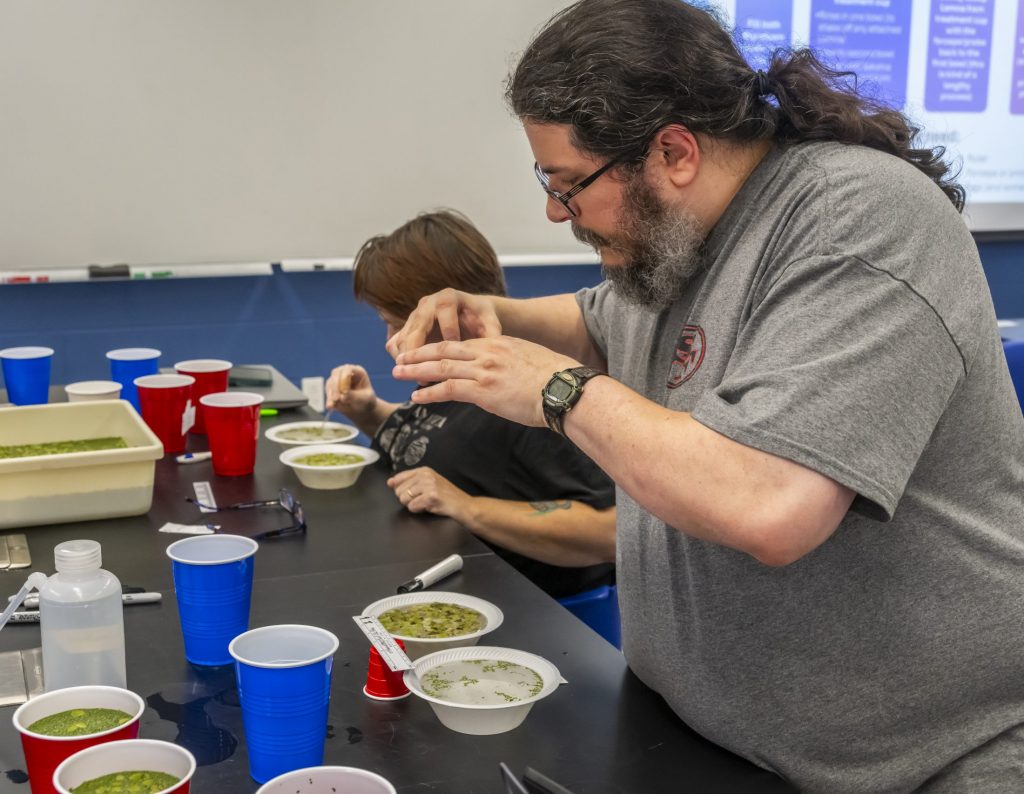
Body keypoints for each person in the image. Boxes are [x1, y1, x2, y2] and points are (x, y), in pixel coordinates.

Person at [384, 1, 1024, 791]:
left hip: (914, 765)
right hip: (706, 739)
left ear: (675, 152)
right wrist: (496, 315)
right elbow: (597, 320)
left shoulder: (854, 221)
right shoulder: (682, 235)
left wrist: (555, 390)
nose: (557, 211)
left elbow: (771, 505)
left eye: (569, 185)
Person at [325, 209, 615, 600]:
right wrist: (369, 412)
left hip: (533, 615)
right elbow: (447, 441)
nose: (391, 340)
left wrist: (467, 507)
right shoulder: (456, 384)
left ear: (450, 315)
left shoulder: (526, 399)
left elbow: (607, 529)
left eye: (399, 323)